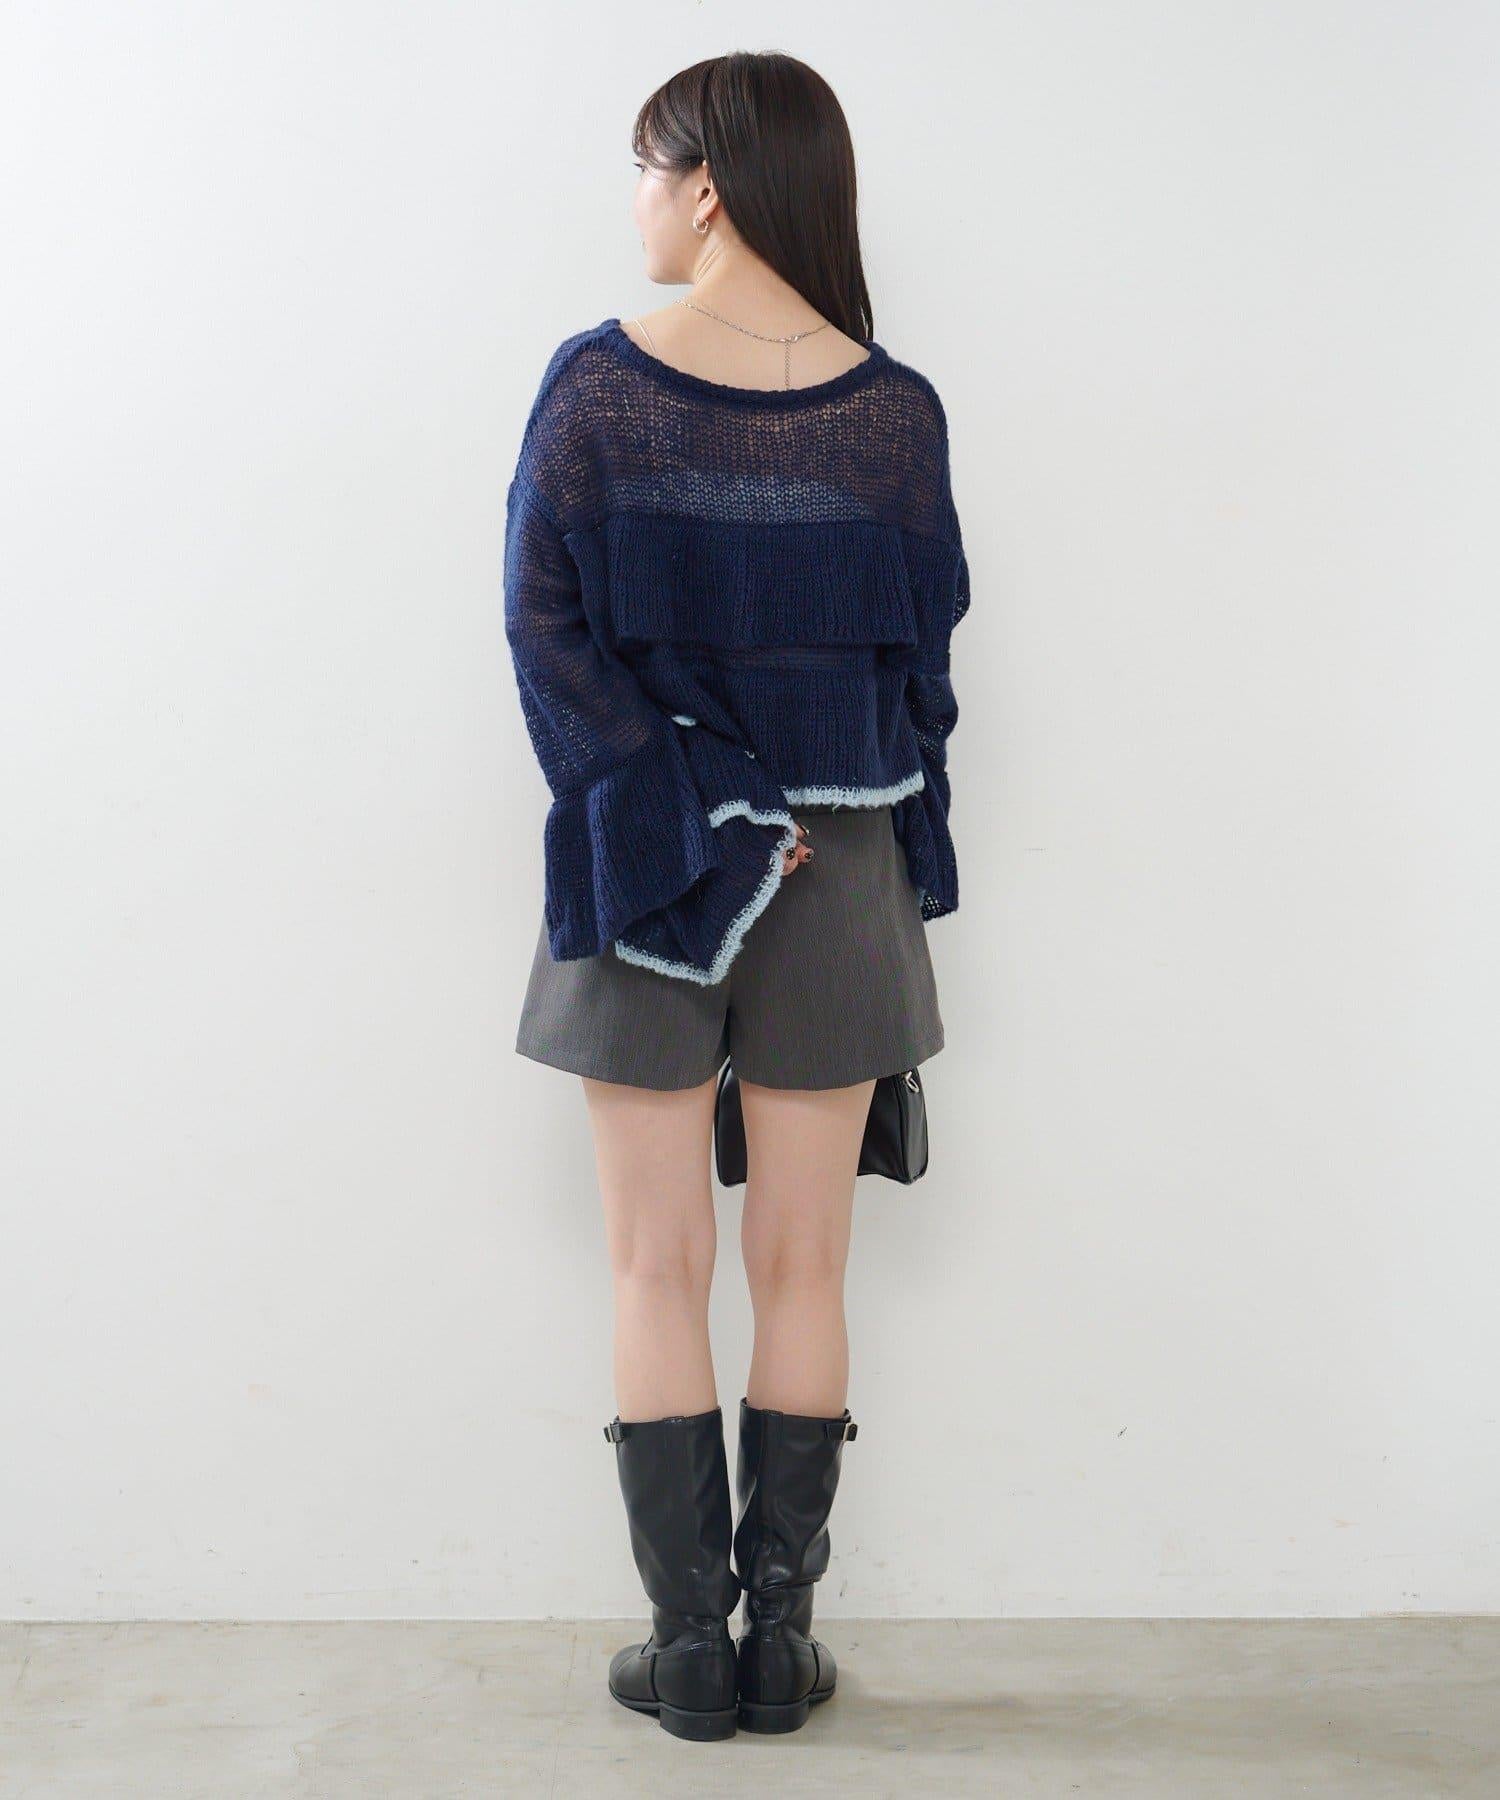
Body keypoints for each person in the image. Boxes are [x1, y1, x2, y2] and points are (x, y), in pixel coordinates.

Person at [502, 51, 970, 1742]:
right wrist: (885, 841)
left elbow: (545, 637)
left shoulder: (597, 389)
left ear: (706, 185)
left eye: (648, 168)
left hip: (652, 861)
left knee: (653, 1264)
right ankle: (781, 1644)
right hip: (840, 875)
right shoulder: (895, 411)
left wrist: (683, 791)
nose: (637, 199)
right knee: (805, 1264)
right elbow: (924, 675)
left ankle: (688, 1653)